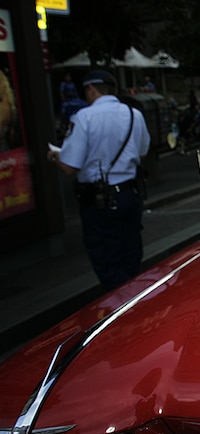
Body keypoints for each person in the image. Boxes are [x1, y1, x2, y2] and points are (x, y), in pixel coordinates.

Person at [47, 70, 151, 291]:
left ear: (91, 90)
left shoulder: (84, 118)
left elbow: (69, 166)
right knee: (131, 255)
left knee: (108, 262)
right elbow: (142, 152)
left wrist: (55, 156)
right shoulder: (134, 114)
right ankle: (133, 302)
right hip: (130, 195)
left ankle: (122, 312)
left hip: (100, 200)